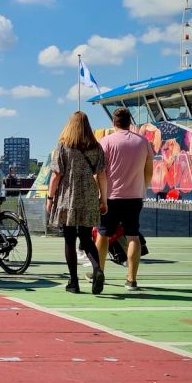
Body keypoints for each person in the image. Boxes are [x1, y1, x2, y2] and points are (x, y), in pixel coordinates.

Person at [47, 111, 108, 294]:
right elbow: (101, 175)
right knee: (87, 238)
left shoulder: (63, 146)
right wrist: (103, 199)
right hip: (89, 195)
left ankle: (74, 282)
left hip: (68, 196)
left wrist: (50, 199)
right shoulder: (96, 147)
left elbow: (56, 175)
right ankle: (97, 268)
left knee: (69, 239)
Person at [96, 108, 154, 292]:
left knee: (103, 235)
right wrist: (142, 188)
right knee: (133, 236)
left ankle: (100, 273)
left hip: (111, 196)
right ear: (130, 122)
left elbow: (100, 174)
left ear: (114, 122)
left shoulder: (105, 142)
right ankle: (131, 279)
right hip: (134, 196)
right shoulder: (143, 142)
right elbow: (149, 170)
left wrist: (101, 196)